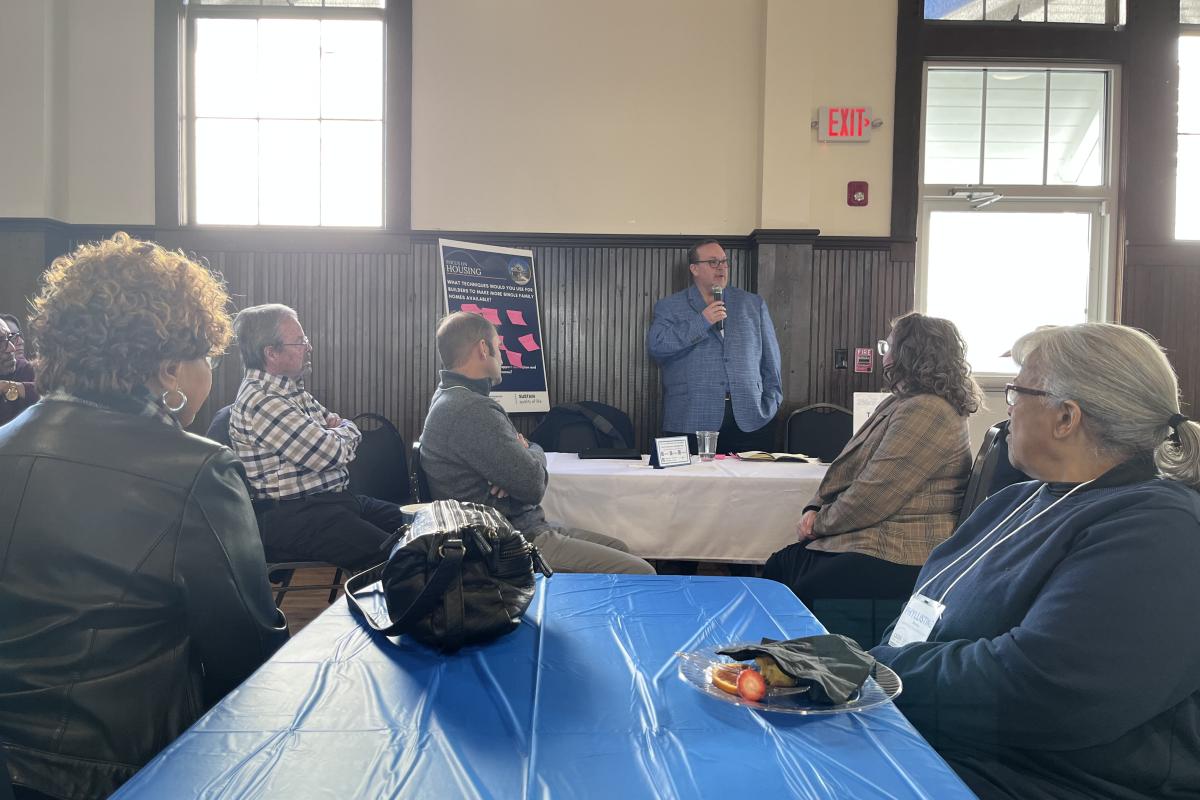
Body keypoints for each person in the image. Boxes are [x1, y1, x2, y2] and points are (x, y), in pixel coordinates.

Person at [0, 233, 288, 800]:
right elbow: (249, 660)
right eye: (206, 354)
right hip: (132, 772)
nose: (210, 370)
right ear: (168, 368)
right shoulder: (196, 470)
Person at [871, 322, 1200, 800]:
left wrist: (877, 671)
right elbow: (920, 617)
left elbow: (1044, 691)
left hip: (1040, 782)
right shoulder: (1017, 499)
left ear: (1066, 417)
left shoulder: (1159, 530)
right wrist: (870, 673)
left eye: (1016, 393)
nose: (1007, 410)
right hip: (933, 740)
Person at [763, 313, 980, 616]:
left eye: (887, 347)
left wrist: (820, 523)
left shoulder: (928, 409)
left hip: (902, 548)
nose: (884, 355)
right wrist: (813, 508)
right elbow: (850, 469)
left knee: (791, 580)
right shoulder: (903, 401)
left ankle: (798, 656)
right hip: (883, 534)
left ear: (909, 354)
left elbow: (875, 492)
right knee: (781, 566)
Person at [421, 311, 654, 574]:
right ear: (483, 349)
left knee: (620, 547)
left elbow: (522, 473)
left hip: (515, 529)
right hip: (511, 540)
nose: (503, 355)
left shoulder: (449, 397)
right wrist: (530, 451)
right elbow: (532, 484)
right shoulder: (471, 409)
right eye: (499, 346)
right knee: (642, 573)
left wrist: (523, 457)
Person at [230, 304, 404, 571]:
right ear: (272, 353)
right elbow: (330, 453)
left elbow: (339, 430)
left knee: (420, 526)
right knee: (400, 559)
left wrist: (339, 429)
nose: (308, 347)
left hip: (333, 501)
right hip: (295, 515)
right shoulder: (262, 400)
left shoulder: (291, 390)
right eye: (299, 341)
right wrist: (340, 431)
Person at [648, 239, 782, 453]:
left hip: (751, 419)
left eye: (724, 261)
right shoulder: (670, 306)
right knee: (692, 486)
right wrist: (702, 321)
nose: (721, 267)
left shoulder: (752, 304)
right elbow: (657, 346)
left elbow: (771, 362)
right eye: (712, 262)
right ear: (694, 269)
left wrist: (770, 403)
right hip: (691, 418)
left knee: (752, 485)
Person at [0, 316, 37, 427]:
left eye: (10, 338)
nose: (12, 348)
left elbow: (55, 393)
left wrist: (10, 387)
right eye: (0, 342)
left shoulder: (24, 368)